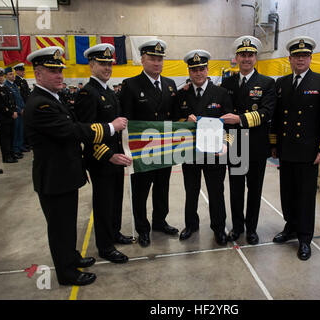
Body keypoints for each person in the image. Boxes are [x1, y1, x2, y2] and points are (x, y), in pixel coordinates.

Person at [24, 46, 129, 286]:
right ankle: (67, 273)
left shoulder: (53, 97)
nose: (59, 75)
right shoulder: (41, 104)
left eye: (60, 70)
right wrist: (110, 128)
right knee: (60, 227)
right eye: (52, 71)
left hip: (65, 174)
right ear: (38, 74)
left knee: (67, 223)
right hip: (55, 176)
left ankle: (71, 258)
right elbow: (74, 130)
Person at [270, 36, 320, 260]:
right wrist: (274, 145)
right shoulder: (282, 83)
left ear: (310, 58)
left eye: (305, 56)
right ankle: (290, 228)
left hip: (309, 151)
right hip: (287, 149)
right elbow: (277, 117)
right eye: (297, 56)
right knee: (287, 193)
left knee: (306, 196)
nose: (300, 59)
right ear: (289, 58)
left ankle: (305, 238)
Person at [74, 43, 133, 263]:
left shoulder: (108, 91)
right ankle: (105, 246)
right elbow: (87, 134)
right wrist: (109, 155)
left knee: (116, 200)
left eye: (109, 63)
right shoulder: (87, 93)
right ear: (91, 65)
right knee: (103, 204)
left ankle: (114, 233)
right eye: (102, 63)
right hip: (102, 160)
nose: (107, 67)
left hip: (116, 158)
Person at [120, 39, 180, 247]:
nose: (157, 63)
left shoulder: (170, 84)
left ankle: (160, 221)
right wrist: (127, 149)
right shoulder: (131, 85)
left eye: (160, 59)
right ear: (142, 60)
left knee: (162, 189)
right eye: (152, 58)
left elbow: (175, 115)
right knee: (140, 191)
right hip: (142, 150)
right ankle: (142, 228)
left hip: (165, 149)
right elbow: (125, 119)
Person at [220, 36, 276, 245]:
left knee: (255, 190)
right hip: (234, 145)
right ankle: (237, 227)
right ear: (236, 57)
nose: (246, 59)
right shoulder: (227, 82)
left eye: (250, 55)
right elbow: (221, 111)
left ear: (255, 58)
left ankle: (251, 229)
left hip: (256, 146)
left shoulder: (267, 83)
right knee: (235, 190)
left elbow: (266, 112)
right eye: (242, 55)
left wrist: (240, 119)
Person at [177, 49, 233, 245]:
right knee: (191, 191)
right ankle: (191, 224)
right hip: (190, 152)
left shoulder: (221, 93)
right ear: (189, 71)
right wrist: (185, 120)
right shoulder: (181, 95)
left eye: (201, 69)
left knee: (216, 192)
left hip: (214, 154)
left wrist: (227, 145)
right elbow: (175, 121)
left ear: (208, 69)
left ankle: (219, 228)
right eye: (194, 70)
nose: (198, 73)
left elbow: (231, 125)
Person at [0, 68, 18, 163]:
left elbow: (12, 101)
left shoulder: (5, 87)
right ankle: (6, 156)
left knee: (11, 136)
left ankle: (11, 153)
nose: (1, 78)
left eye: (1, 76)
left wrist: (14, 111)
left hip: (11, 116)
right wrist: (11, 113)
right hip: (3, 117)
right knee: (5, 137)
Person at [4, 67, 26, 157]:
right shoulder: (6, 86)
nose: (13, 75)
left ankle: (20, 146)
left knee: (21, 129)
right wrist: (18, 109)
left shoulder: (14, 85)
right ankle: (15, 148)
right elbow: (11, 101)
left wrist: (23, 108)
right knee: (16, 131)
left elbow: (20, 98)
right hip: (16, 111)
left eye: (12, 73)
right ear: (6, 76)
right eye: (10, 74)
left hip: (21, 110)